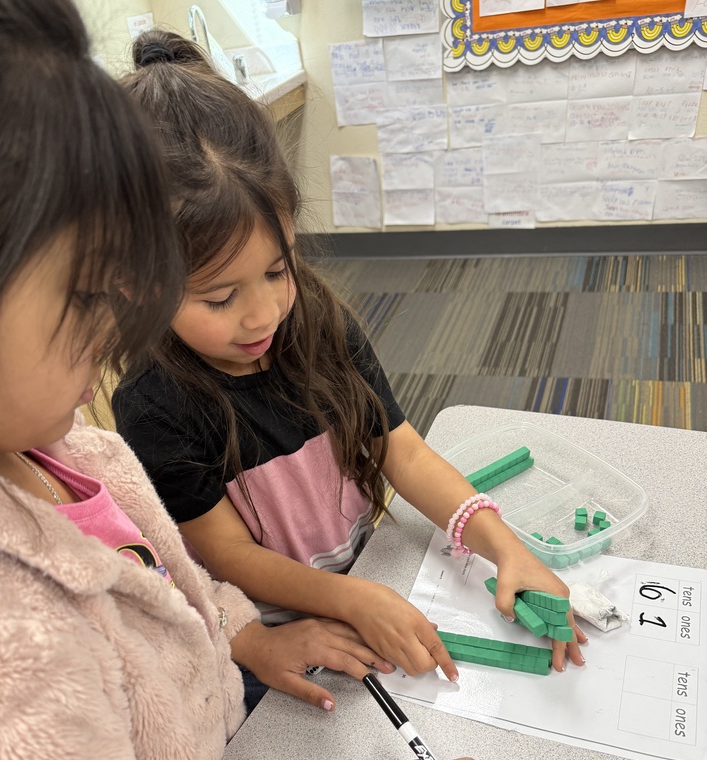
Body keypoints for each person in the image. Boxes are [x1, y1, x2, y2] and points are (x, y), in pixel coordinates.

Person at [0, 3, 500, 760]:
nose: (123, 318)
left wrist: (242, 638)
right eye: (84, 285)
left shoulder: (72, 450)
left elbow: (167, 583)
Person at [113, 30, 588, 713]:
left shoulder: (316, 321)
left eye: (278, 270)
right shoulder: (154, 405)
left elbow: (402, 448)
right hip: (272, 630)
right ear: (137, 284)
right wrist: (349, 599)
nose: (262, 316)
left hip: (368, 568)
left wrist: (500, 543)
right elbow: (225, 555)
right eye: (220, 298)